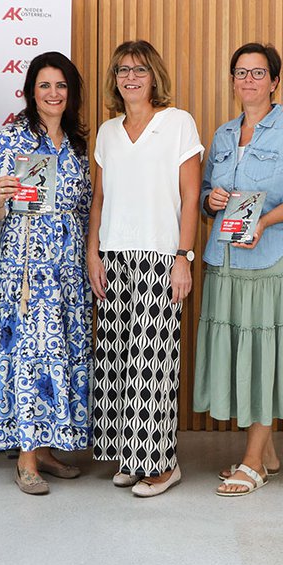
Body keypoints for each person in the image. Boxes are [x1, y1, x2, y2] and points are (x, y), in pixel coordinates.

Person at [193, 43, 283, 496]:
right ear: (232, 81)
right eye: (241, 72)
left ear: (274, 81)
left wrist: (265, 220)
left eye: (258, 72)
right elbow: (208, 193)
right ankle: (265, 450)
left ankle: (253, 463)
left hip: (270, 262)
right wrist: (211, 200)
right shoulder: (224, 134)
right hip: (225, 260)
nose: (248, 80)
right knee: (238, 353)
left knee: (264, 354)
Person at [87, 40, 203, 497]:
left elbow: (192, 196)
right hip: (113, 257)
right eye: (122, 70)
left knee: (153, 365)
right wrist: (93, 253)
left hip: (160, 258)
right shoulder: (107, 131)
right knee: (118, 364)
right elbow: (99, 198)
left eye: (139, 69)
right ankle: (131, 457)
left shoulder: (178, 123)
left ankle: (162, 463)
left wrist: (183, 257)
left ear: (154, 75)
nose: (130, 77)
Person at [0, 52, 93, 496]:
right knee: (30, 355)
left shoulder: (79, 145)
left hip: (68, 267)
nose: (53, 93)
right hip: (26, 266)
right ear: (31, 91)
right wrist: (2, 196)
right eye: (44, 85)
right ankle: (25, 457)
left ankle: (47, 449)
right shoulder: (12, 138)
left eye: (61, 85)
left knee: (61, 353)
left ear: (71, 93)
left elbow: (87, 210)